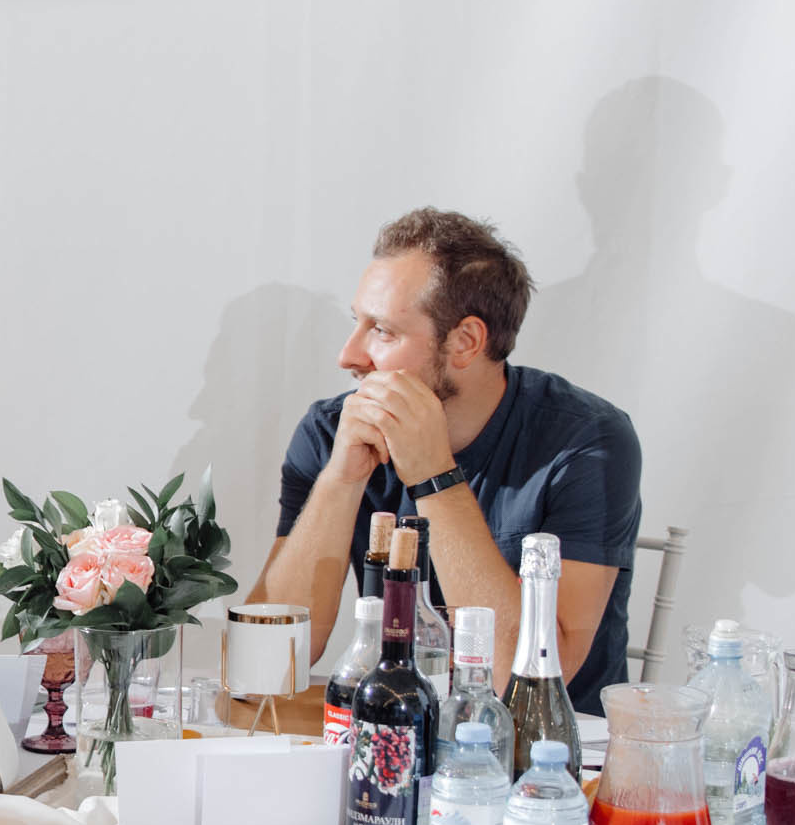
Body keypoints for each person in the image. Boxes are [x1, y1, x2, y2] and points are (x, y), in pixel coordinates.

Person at [250, 208, 641, 714]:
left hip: (544, 763)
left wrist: (435, 476)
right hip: (387, 734)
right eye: (357, 323)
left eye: (383, 331)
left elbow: (527, 687)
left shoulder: (587, 442)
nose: (349, 355)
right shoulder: (331, 431)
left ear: (465, 342)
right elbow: (264, 666)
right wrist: (342, 478)